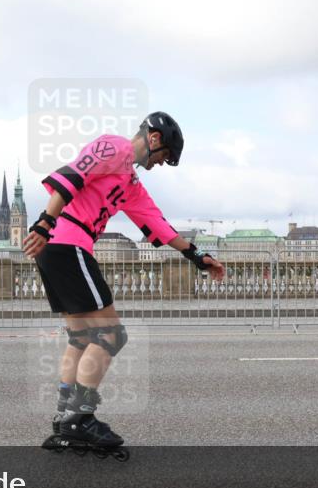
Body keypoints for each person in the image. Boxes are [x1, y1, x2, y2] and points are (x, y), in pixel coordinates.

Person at [23, 112, 225, 451]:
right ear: (155, 139)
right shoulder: (114, 147)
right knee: (112, 334)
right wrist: (45, 222)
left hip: (61, 246)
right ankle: (81, 418)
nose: (162, 164)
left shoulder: (130, 184)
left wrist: (196, 255)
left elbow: (157, 224)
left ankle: (63, 417)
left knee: (81, 338)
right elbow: (71, 176)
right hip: (66, 242)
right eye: (165, 158)